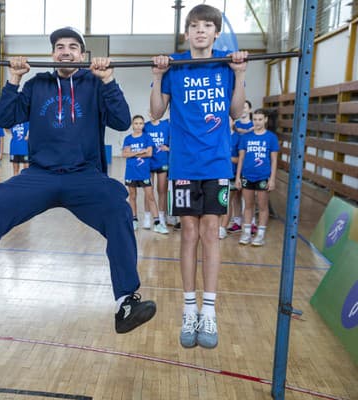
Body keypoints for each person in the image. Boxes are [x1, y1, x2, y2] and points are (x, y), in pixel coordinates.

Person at [0, 26, 156, 334]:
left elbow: (122, 120)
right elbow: (5, 119)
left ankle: (125, 301)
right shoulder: (37, 84)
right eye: (60, 47)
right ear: (52, 54)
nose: (66, 51)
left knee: (119, 210)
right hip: (40, 175)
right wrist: (14, 80)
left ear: (83, 55)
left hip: (84, 176)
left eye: (73, 47)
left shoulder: (95, 84)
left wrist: (109, 80)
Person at [150, 4, 248, 348]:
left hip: (217, 163)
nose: (201, 31)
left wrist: (240, 73)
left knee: (211, 231)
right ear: (187, 33)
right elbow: (156, 112)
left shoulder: (225, 63)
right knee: (188, 231)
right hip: (184, 165)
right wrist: (159, 76)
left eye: (208, 26)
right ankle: (188, 308)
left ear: (216, 33)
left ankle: (210, 311)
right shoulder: (175, 65)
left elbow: (237, 112)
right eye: (195, 26)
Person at [235, 109, 279, 246]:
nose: (257, 122)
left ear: (265, 120)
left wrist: (272, 179)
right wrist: (238, 177)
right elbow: (241, 159)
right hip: (247, 176)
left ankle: (260, 234)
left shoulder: (271, 138)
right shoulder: (246, 137)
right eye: (255, 119)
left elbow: (274, 160)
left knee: (262, 206)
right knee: (248, 205)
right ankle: (246, 232)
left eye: (260, 119)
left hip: (263, 176)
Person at [122, 115, 161, 232]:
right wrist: (140, 151)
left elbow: (149, 154)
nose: (138, 126)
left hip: (143, 173)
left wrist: (132, 153)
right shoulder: (128, 139)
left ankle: (158, 223)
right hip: (131, 172)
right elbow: (124, 154)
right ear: (132, 125)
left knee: (150, 197)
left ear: (143, 125)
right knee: (132, 197)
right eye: (136, 123)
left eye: (141, 123)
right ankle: (134, 220)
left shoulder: (147, 138)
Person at [143, 112, 171, 234]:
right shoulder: (145, 126)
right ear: (149, 112)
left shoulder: (166, 125)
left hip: (162, 161)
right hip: (148, 161)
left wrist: (168, 148)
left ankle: (161, 217)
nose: (153, 114)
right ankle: (147, 216)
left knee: (162, 190)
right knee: (148, 190)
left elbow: (173, 141)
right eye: (151, 112)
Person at [230, 99, 254, 234]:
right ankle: (237, 222)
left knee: (249, 197)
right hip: (235, 165)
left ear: (250, 110)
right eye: (242, 107)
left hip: (249, 165)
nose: (243, 110)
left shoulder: (254, 124)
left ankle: (251, 222)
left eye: (246, 107)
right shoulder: (236, 124)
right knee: (235, 197)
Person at [219, 116, 240, 239]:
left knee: (227, 202)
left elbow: (240, 159)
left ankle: (223, 227)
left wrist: (226, 158)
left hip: (231, 174)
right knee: (220, 202)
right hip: (219, 174)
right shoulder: (219, 136)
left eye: (229, 119)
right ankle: (219, 225)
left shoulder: (238, 137)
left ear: (233, 122)